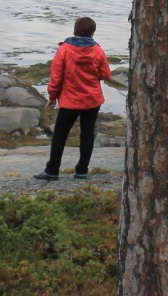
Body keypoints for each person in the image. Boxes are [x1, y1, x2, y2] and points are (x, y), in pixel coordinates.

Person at [34, 17, 112, 181]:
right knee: (87, 134)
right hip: (92, 100)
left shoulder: (64, 50)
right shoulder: (98, 50)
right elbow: (106, 74)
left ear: (75, 30)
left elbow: (56, 77)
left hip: (70, 101)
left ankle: (52, 170)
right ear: (92, 32)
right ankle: (82, 171)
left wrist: (52, 97)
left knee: (60, 135)